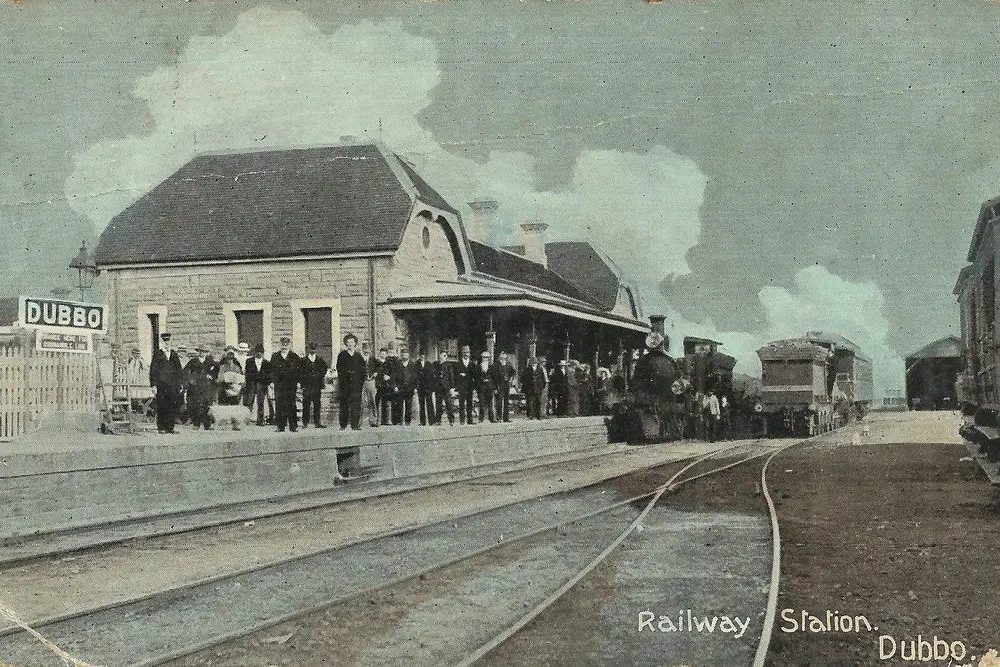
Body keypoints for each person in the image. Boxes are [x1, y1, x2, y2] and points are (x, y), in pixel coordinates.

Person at [149, 333, 183, 434]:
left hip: (173, 385)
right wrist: (154, 385)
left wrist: (180, 383)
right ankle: (161, 427)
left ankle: (170, 427)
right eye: (164, 341)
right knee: (162, 405)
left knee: (172, 405)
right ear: (161, 342)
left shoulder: (173, 354)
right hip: (162, 385)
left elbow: (179, 370)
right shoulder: (158, 354)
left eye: (168, 341)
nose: (166, 343)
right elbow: (153, 370)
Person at [270, 335, 300, 432]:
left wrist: (298, 382)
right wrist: (272, 382)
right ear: (280, 344)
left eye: (286, 344)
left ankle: (293, 426)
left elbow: (298, 371)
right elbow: (272, 371)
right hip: (279, 385)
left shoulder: (294, 356)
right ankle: (280, 426)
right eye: (283, 344)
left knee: (291, 405)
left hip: (291, 385)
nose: (284, 346)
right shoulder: (275, 356)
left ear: (289, 345)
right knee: (279, 405)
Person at [184, 344, 217, 430]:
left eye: (205, 352)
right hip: (195, 386)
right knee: (195, 405)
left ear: (207, 353)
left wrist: (211, 376)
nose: (203, 353)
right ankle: (196, 424)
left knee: (206, 405)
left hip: (206, 387)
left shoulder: (211, 362)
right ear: (198, 352)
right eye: (202, 351)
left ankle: (207, 424)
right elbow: (186, 372)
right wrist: (189, 380)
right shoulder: (193, 361)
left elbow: (216, 372)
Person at [336, 334, 364, 430]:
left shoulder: (358, 356)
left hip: (356, 385)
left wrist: (359, 382)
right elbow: (339, 368)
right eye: (348, 342)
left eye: (352, 342)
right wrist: (345, 376)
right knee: (344, 404)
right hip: (345, 384)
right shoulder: (342, 355)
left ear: (355, 343)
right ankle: (343, 425)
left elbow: (362, 370)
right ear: (346, 344)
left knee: (356, 404)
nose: (350, 344)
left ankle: (354, 425)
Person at [215, 346, 246, 430]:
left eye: (231, 359)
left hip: (234, 388)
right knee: (223, 405)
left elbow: (241, 377)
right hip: (224, 387)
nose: (230, 361)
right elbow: (218, 378)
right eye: (228, 359)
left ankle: (235, 423)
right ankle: (223, 422)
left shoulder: (237, 367)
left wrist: (238, 382)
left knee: (235, 405)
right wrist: (224, 378)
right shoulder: (221, 366)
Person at [299, 342, 329, 428]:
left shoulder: (320, 359)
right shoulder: (303, 361)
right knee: (306, 404)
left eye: (314, 349)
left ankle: (317, 422)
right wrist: (303, 382)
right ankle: (305, 423)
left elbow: (324, 369)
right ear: (308, 350)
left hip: (316, 385)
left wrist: (319, 375)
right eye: (311, 349)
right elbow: (300, 372)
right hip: (307, 386)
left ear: (316, 350)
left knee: (317, 404)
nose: (312, 350)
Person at [244, 344, 272, 426]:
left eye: (261, 352)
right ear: (254, 352)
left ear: (263, 353)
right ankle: (246, 419)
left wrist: (264, 381)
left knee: (261, 403)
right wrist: (253, 379)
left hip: (262, 385)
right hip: (252, 384)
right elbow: (247, 374)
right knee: (249, 401)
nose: (259, 354)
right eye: (257, 352)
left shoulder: (267, 363)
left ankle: (260, 420)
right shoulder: (249, 361)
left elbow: (269, 376)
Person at [125, 347, 152, 415]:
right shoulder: (130, 360)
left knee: (138, 392)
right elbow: (127, 367)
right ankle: (134, 407)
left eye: (138, 354)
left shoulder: (140, 360)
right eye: (135, 354)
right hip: (131, 377)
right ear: (133, 354)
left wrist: (142, 362)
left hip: (138, 377)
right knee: (132, 392)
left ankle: (140, 407)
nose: (137, 355)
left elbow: (145, 367)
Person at [491, 351, 516, 422]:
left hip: (506, 385)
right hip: (498, 385)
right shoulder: (495, 365)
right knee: (498, 402)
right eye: (501, 358)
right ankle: (499, 417)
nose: (503, 359)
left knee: (506, 402)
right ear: (499, 358)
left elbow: (513, 373)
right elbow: (492, 377)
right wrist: (494, 388)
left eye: (504, 358)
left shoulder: (508, 365)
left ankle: (506, 418)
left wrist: (511, 379)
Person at [359, 342, 380, 427]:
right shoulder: (359, 359)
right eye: (365, 349)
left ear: (370, 350)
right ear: (362, 350)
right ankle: (359, 421)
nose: (366, 351)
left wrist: (376, 373)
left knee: (373, 401)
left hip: (371, 382)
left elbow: (379, 367)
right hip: (362, 382)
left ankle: (373, 420)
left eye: (368, 349)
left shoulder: (373, 359)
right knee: (361, 402)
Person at [434, 350, 457, 425]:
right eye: (443, 355)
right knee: (438, 405)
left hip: (446, 387)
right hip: (438, 387)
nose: (445, 357)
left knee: (449, 404)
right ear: (440, 356)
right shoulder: (436, 364)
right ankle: (438, 420)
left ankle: (451, 419)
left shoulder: (448, 365)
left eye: (446, 356)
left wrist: (452, 387)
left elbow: (451, 376)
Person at [455, 345, 475, 424]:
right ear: (462, 354)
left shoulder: (472, 364)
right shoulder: (458, 363)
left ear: (469, 354)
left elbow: (475, 375)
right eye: (464, 353)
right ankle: (462, 420)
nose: (466, 354)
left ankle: (470, 420)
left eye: (467, 353)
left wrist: (474, 387)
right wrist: (460, 375)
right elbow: (455, 375)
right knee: (461, 403)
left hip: (470, 386)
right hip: (461, 386)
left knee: (470, 403)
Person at [398, 348, 419, 426]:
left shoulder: (412, 365)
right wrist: (396, 386)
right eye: (403, 355)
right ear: (401, 355)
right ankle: (399, 421)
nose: (404, 356)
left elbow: (415, 377)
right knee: (399, 405)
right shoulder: (399, 364)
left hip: (409, 388)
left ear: (408, 356)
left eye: (406, 355)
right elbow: (395, 376)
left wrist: (415, 388)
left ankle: (407, 421)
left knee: (408, 405)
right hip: (400, 387)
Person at [476, 351, 497, 423]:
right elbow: (477, 377)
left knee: (490, 403)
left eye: (487, 357)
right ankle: (481, 418)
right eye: (484, 357)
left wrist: (494, 387)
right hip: (481, 387)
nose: (485, 359)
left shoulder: (492, 366)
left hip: (489, 387)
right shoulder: (478, 366)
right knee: (481, 403)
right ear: (482, 358)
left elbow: (494, 377)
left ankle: (492, 418)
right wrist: (481, 381)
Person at [416, 349, 436, 425]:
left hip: (428, 388)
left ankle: (432, 421)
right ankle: (422, 422)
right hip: (420, 388)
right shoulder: (416, 364)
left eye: (423, 355)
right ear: (419, 356)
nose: (422, 356)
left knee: (430, 404)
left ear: (425, 356)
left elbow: (432, 377)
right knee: (421, 405)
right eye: (421, 355)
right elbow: (415, 376)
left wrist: (432, 388)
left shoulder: (429, 364)